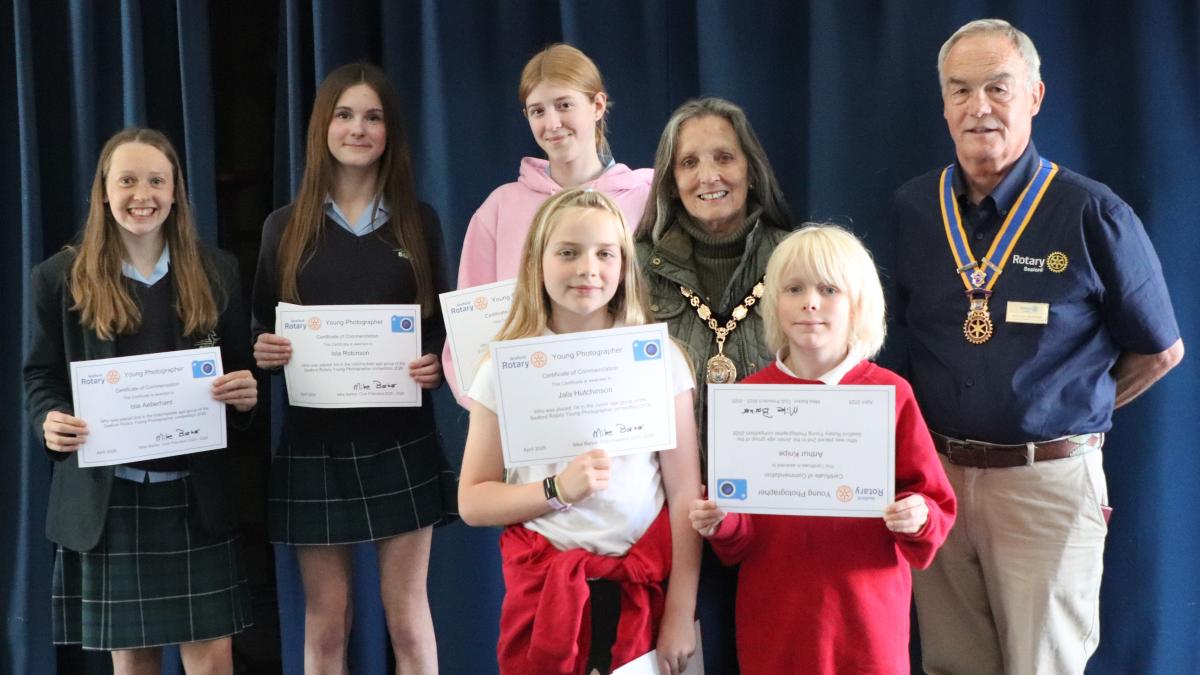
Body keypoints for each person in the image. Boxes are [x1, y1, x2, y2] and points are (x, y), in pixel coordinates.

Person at [887, 19, 1184, 675]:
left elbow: (1161, 349)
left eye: (998, 87)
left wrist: (1069, 409)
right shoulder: (913, 209)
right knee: (951, 665)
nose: (979, 107)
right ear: (944, 105)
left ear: (1035, 96)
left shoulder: (1090, 211)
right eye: (960, 90)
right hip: (939, 485)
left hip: (1045, 486)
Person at [24, 127, 258, 674]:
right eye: (127, 181)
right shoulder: (58, 278)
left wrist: (246, 396)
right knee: (132, 662)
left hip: (195, 497)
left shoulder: (217, 271)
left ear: (175, 192)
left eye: (156, 180)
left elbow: (241, 376)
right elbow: (40, 376)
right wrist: (49, 420)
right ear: (104, 192)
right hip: (111, 501)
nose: (142, 194)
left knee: (213, 661)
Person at [250, 62, 454, 674]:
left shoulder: (419, 220)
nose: (358, 129)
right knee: (327, 624)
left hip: (401, 438)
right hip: (314, 443)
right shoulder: (284, 226)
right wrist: (265, 350)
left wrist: (435, 362)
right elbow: (261, 326)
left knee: (408, 621)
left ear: (390, 131)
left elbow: (442, 327)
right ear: (323, 127)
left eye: (372, 117)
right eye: (344, 115)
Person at [688, 224, 956, 674]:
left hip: (865, 618)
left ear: (858, 305)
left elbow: (935, 504)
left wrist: (918, 515)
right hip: (776, 617)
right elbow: (739, 537)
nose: (810, 302)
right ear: (774, 302)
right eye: (794, 289)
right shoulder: (748, 400)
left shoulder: (890, 394)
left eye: (829, 289)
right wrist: (721, 522)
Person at [458, 188, 701, 675]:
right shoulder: (502, 368)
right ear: (537, 261)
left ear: (625, 265)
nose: (588, 269)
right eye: (568, 252)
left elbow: (684, 495)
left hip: (641, 595)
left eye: (605, 254)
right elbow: (473, 501)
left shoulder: (661, 361)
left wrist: (680, 612)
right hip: (544, 593)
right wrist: (557, 490)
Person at [634, 96, 793, 672]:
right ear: (670, 180)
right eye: (689, 162)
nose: (708, 176)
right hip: (668, 522)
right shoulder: (633, 269)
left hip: (777, 517)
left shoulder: (795, 259)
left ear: (751, 167)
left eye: (724, 157)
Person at [444, 43, 653, 407]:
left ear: (597, 106)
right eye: (538, 111)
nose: (552, 123)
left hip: (627, 404)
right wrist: (493, 410)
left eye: (564, 105)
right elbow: (471, 337)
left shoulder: (648, 198)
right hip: (529, 409)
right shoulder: (499, 209)